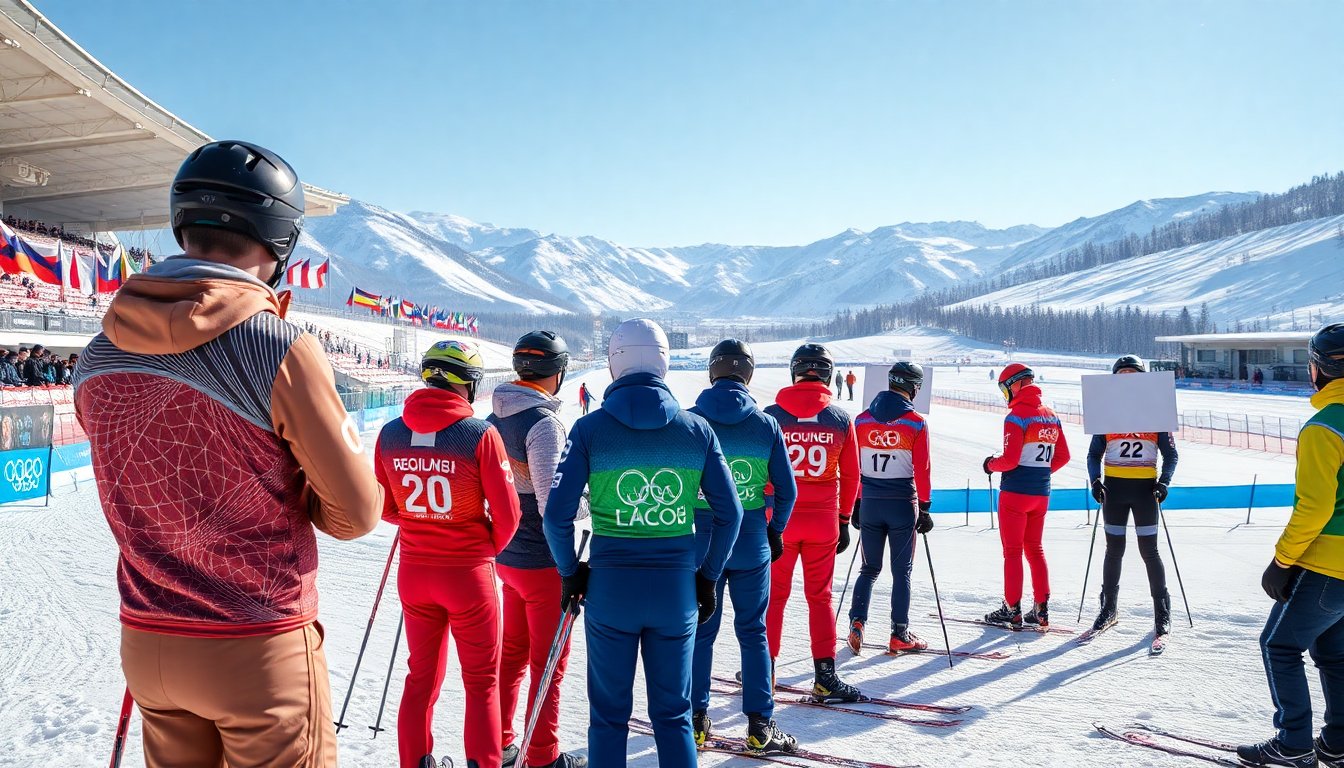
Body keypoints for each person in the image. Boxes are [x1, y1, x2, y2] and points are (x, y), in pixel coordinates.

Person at [73, 139, 383, 768]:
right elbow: (356, 514)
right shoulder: (277, 346)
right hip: (257, 642)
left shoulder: (96, 356)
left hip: (150, 638)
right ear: (281, 240)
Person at [543, 318, 743, 768]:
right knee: (673, 717)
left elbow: (555, 516)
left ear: (614, 364)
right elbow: (730, 515)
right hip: (676, 590)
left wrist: (569, 572)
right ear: (664, 363)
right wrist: (708, 576)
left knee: (608, 718)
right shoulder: (697, 430)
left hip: (611, 590)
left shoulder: (589, 430)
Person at [375, 339, 522, 768]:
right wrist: (481, 547)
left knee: (421, 678)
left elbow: (384, 508)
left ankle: (414, 761)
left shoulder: (390, 433)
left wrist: (423, 529)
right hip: (468, 576)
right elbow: (509, 515)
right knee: (481, 682)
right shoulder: (479, 434)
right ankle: (485, 761)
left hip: (416, 571)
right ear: (470, 386)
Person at [1239, 324, 1344, 768]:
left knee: (1279, 646)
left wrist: (1281, 561)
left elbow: (1314, 508)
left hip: (1325, 562)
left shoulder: (1324, 427)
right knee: (1333, 652)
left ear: (1317, 369)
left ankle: (1294, 742)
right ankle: (1338, 742)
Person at [688, 339, 799, 752]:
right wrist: (776, 531)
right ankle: (759, 725)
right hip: (751, 539)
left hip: (701, 541)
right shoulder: (766, 424)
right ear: (748, 374)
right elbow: (786, 491)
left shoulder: (691, 419)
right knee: (753, 632)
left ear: (712, 371)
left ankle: (696, 721)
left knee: (700, 632)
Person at [488, 331, 587, 768]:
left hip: (507, 555)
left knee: (512, 655)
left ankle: (503, 742)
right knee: (549, 663)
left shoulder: (493, 419)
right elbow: (554, 503)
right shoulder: (543, 424)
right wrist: (588, 500)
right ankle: (543, 756)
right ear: (558, 373)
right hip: (542, 562)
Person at [765, 343, 863, 702]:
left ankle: (766, 671)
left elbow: (761, 473)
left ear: (795, 372)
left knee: (773, 598)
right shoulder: (839, 418)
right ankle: (825, 675)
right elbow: (852, 476)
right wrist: (843, 520)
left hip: (779, 521)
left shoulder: (771, 415)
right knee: (820, 598)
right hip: (823, 521)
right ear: (826, 374)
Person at [1086, 355, 1179, 638]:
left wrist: (1164, 482)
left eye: (1132, 374)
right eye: (1121, 374)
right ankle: (1108, 608)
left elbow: (1171, 454)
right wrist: (1095, 480)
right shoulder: (1106, 413)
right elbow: (1093, 454)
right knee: (1113, 551)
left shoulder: (1157, 412)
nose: (1127, 379)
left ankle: (1162, 614)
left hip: (1144, 492)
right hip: (1114, 491)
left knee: (1149, 552)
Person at [846, 362, 933, 654]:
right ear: (912, 387)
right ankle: (899, 633)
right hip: (901, 504)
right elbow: (922, 469)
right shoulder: (916, 422)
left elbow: (855, 467)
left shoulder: (861, 420)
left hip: (869, 501)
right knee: (901, 572)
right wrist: (925, 507)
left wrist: (856, 502)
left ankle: (857, 623)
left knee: (868, 569)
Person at [982, 363, 1070, 629]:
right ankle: (1041, 610)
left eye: (1005, 388)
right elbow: (1063, 456)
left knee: (1012, 552)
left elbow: (1009, 460)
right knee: (1035, 549)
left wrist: (989, 464)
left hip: (1015, 494)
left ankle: (1012, 609)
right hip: (1041, 494)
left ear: (1016, 385)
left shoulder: (1016, 417)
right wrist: (1040, 473)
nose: (1004, 394)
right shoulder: (1051, 415)